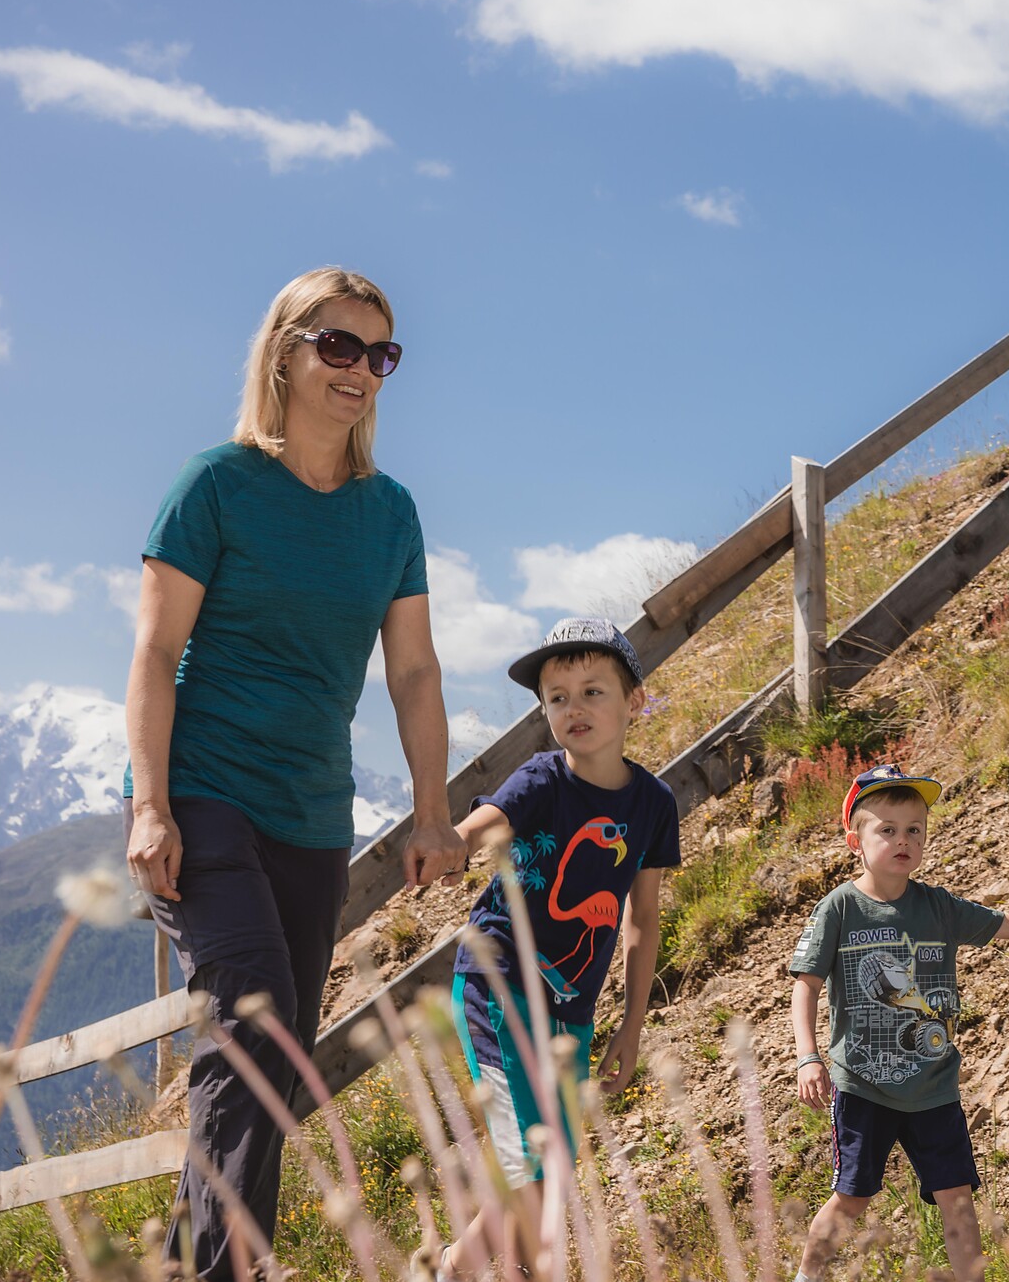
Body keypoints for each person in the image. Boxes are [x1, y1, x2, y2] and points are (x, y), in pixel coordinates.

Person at [123, 267, 468, 1280]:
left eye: (380, 352)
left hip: (310, 819)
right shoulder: (215, 484)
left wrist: (434, 811)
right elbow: (154, 652)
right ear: (284, 352)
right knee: (256, 1021)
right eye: (338, 345)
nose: (360, 369)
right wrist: (151, 805)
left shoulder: (390, 513)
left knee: (268, 1062)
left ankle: (190, 1264)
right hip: (201, 795)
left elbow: (414, 671)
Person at [789, 764, 1009, 1282]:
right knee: (852, 1197)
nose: (903, 840)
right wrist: (808, 1057)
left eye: (915, 829)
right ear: (855, 841)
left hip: (933, 1086)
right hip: (863, 1084)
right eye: (887, 829)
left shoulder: (938, 907)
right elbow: (806, 986)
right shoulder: (839, 908)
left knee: (957, 1198)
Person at [441, 618, 681, 1280]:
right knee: (530, 1168)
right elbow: (489, 820)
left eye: (592, 691)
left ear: (634, 702)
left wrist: (631, 1024)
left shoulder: (654, 804)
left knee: (550, 1169)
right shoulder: (542, 779)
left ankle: (448, 1269)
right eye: (557, 697)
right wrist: (456, 840)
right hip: (497, 982)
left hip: (572, 1009)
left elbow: (642, 919)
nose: (574, 708)